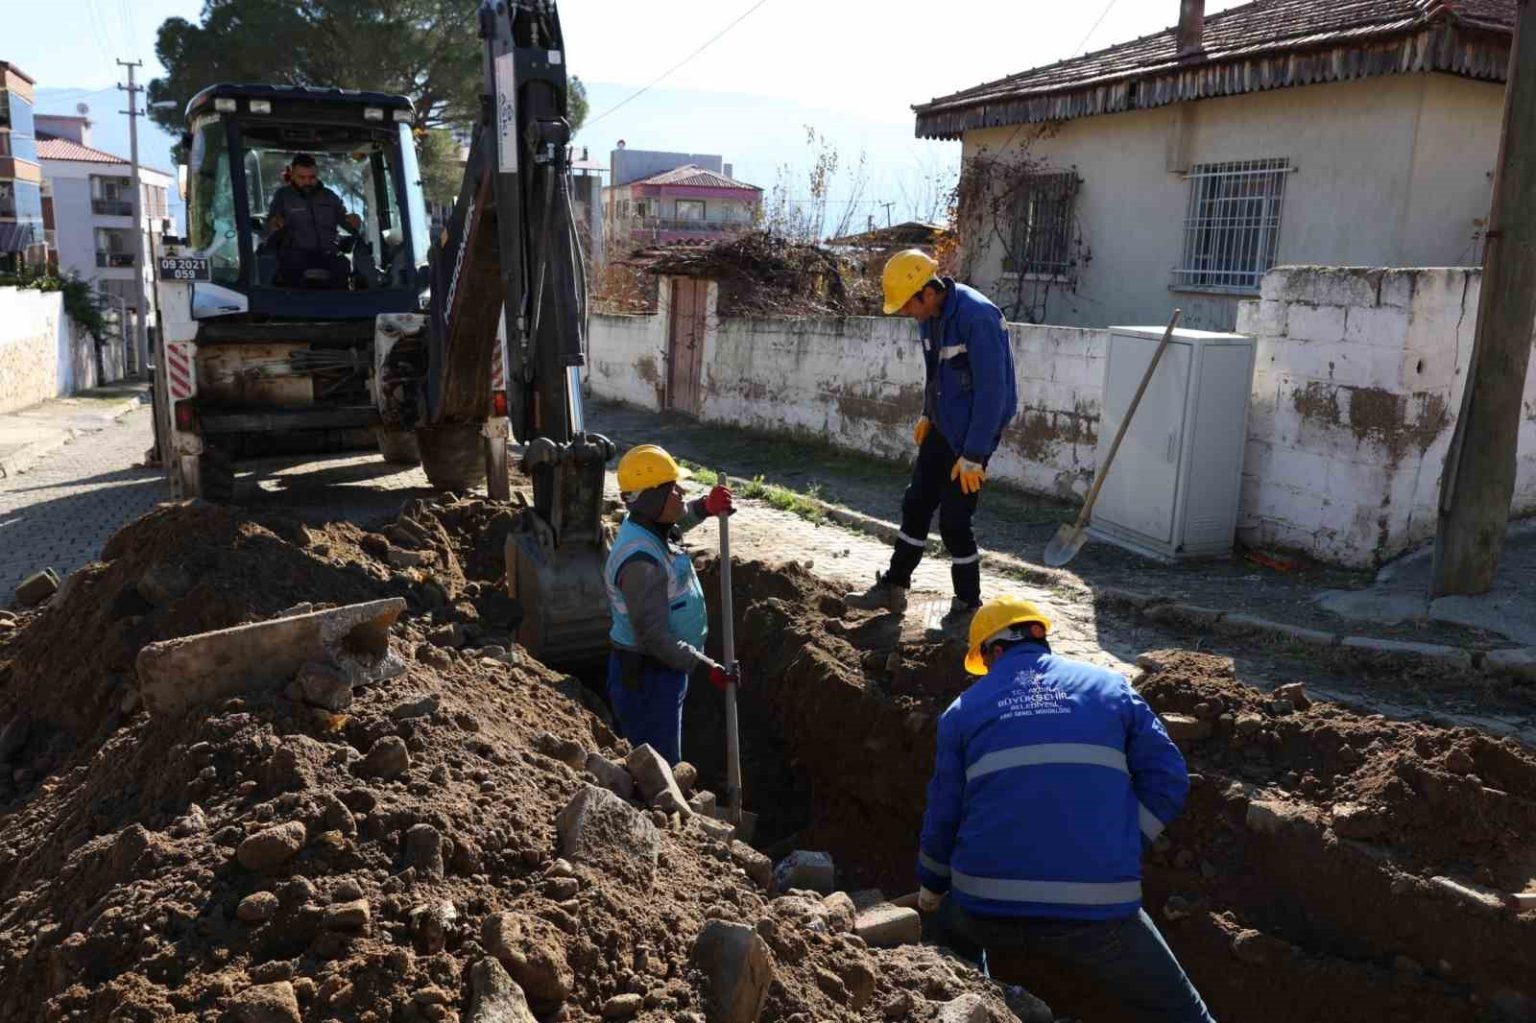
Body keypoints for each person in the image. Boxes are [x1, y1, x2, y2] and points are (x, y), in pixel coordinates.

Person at [916, 597, 1215, 1022]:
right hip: (1099, 910)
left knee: (948, 941)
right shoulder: (1112, 689)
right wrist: (1126, 840)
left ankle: (982, 1004)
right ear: (1039, 639)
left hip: (986, 905)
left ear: (993, 651)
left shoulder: (961, 713)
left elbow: (943, 814)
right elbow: (1169, 779)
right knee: (1185, 1014)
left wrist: (931, 884)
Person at [845, 250, 1018, 632]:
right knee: (916, 503)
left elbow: (995, 393)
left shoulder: (978, 317)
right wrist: (928, 412)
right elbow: (935, 374)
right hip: (943, 425)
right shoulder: (930, 317)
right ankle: (894, 586)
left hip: (973, 434)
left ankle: (968, 604)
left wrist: (974, 454)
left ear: (927, 291)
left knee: (955, 521)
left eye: (908, 305)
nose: (908, 313)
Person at [604, 444, 737, 764]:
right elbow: (654, 636)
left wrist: (704, 507)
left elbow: (675, 527)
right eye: (672, 488)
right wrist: (707, 667)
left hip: (664, 669)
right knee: (658, 766)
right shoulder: (640, 562)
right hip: (649, 679)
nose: (681, 493)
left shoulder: (649, 527)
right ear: (651, 498)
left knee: (664, 757)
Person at [264, 153, 362, 288]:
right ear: (292, 175)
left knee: (344, 265)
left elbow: (346, 221)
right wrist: (274, 223)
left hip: (327, 254)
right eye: (302, 177)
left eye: (312, 177)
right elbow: (272, 222)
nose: (307, 182)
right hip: (295, 255)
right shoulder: (283, 196)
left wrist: (354, 220)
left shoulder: (329, 197)